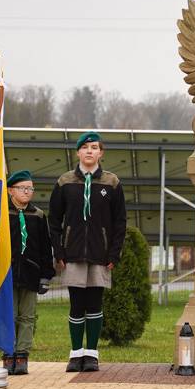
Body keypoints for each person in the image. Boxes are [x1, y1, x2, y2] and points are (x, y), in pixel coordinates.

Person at [48, 131, 127, 372]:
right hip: (72, 254)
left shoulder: (112, 183)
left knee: (94, 304)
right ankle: (75, 354)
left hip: (100, 255)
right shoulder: (64, 182)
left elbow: (120, 221)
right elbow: (54, 220)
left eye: (94, 147)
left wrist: (114, 253)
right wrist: (59, 251)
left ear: (101, 153)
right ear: (78, 153)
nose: (89, 151)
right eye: (85, 147)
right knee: (76, 305)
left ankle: (91, 354)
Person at [5, 170, 56, 375]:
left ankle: (22, 355)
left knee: (27, 315)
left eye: (30, 188)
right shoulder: (2, 214)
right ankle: (8, 353)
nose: (27, 192)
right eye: (22, 188)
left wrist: (46, 275)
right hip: (7, 273)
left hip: (31, 272)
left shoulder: (38, 215)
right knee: (9, 314)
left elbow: (45, 247)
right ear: (11, 190)